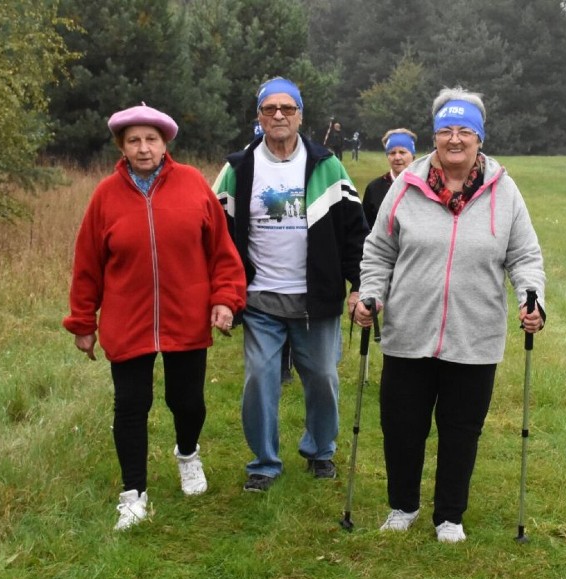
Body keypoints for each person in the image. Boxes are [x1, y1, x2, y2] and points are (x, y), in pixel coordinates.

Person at [353, 87, 546, 543]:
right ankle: (402, 506)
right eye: (445, 130)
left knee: (461, 431)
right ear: (434, 136)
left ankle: (449, 517)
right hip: (409, 331)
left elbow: (524, 255)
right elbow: (379, 251)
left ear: (479, 138)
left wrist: (531, 297)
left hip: (473, 335)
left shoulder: (504, 191)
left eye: (465, 131)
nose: (454, 139)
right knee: (402, 426)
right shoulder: (406, 185)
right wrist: (372, 295)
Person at [63, 103, 247, 531]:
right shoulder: (105, 196)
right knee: (130, 406)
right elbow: (87, 263)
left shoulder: (193, 185)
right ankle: (134, 494)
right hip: (128, 320)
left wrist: (225, 298)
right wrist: (82, 322)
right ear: (121, 147)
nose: (143, 149)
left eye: (151, 139)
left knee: (188, 402)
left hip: (186, 316)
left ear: (165, 143)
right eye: (134, 141)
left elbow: (221, 250)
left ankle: (187, 454)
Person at [213, 77, 367, 492]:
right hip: (260, 296)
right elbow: (213, 233)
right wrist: (221, 294)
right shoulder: (238, 168)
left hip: (315, 300)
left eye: (287, 109)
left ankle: (320, 451)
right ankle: (263, 463)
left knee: (321, 377)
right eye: (269, 109)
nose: (278, 116)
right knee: (261, 378)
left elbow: (354, 232)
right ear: (258, 116)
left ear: (301, 115)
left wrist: (359, 285)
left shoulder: (327, 165)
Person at [361, 129, 417, 229]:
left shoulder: (425, 186)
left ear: (413, 156)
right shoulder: (374, 188)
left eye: (402, 152)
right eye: (392, 153)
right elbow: (365, 227)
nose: (397, 157)